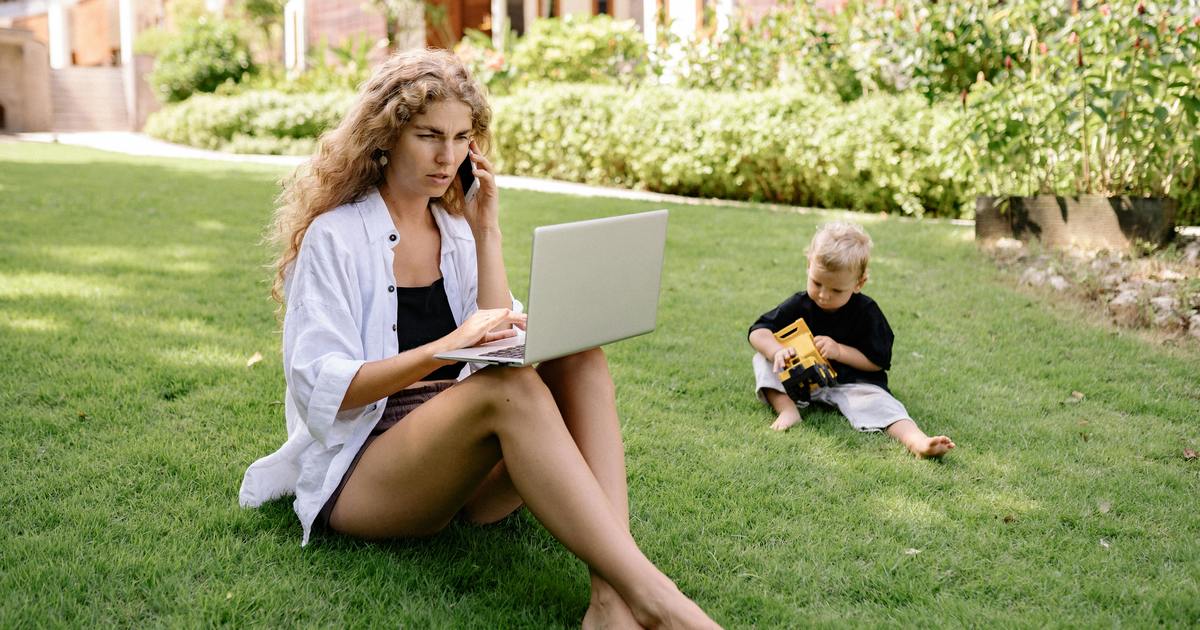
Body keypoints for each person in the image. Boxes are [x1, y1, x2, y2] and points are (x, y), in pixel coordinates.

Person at [238, 49, 719, 628]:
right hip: (368, 477)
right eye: (429, 135)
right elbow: (326, 390)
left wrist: (486, 229)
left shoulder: (456, 231)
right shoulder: (334, 238)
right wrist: (445, 348)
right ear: (386, 136)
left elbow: (494, 336)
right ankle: (660, 601)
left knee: (580, 358)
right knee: (505, 389)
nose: (448, 156)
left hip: (459, 469)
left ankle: (611, 599)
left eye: (463, 137)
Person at [747, 221, 955, 458]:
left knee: (883, 404)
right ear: (808, 266)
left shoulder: (867, 313)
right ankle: (787, 410)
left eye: (837, 291)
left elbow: (877, 361)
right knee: (761, 359)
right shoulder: (800, 304)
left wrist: (839, 351)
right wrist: (776, 351)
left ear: (859, 283)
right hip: (802, 380)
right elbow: (758, 330)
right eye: (817, 283)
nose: (824, 295)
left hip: (852, 384)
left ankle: (918, 442)